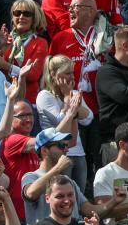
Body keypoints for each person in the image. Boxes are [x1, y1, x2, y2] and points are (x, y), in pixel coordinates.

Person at [36, 55, 94, 190]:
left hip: (78, 152)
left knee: (79, 194)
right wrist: (68, 98)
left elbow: (88, 118)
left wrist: (72, 101)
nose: (72, 77)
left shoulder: (74, 93)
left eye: (72, 73)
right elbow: (61, 122)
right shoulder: (44, 96)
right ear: (53, 74)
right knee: (61, 191)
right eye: (67, 73)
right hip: (58, 154)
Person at [0, 0, 48, 103]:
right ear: (12, 17)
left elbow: (33, 75)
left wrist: (7, 66)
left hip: (26, 100)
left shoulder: (40, 43)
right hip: (1, 96)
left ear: (34, 18)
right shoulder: (5, 39)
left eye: (27, 14)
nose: (21, 17)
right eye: (17, 13)